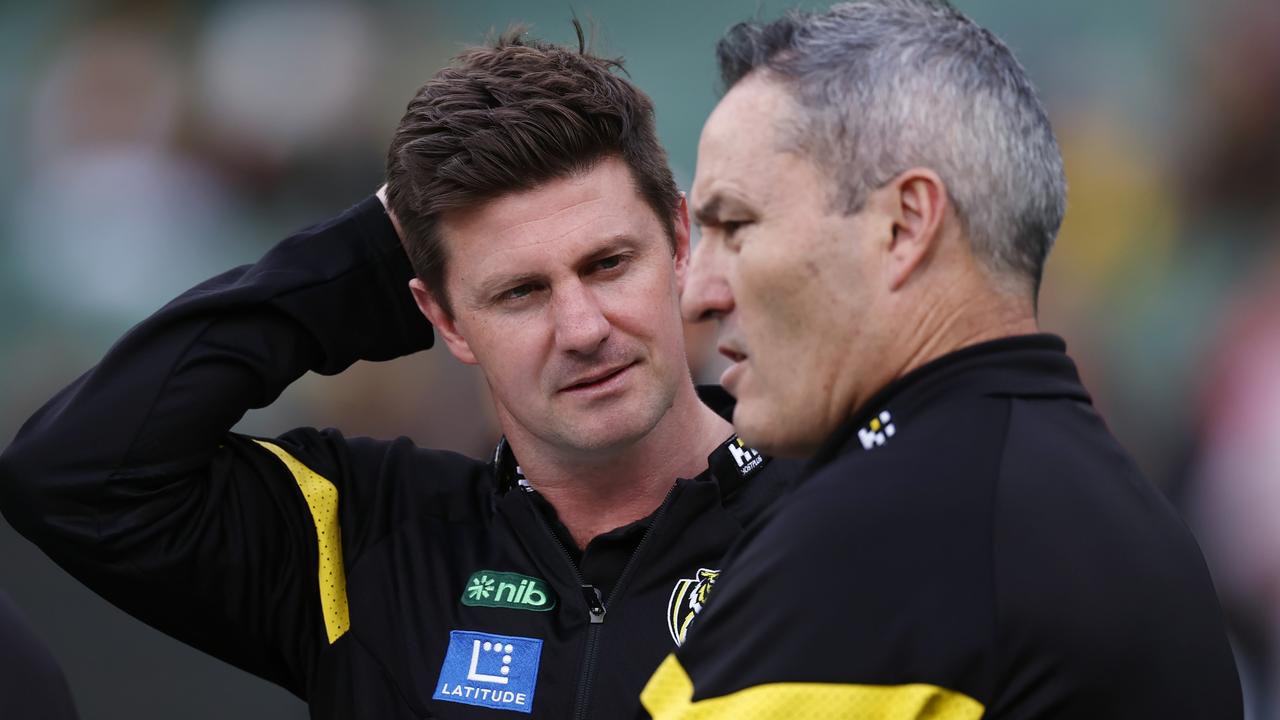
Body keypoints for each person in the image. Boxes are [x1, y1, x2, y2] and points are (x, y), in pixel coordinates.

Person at [0, 28, 798, 719]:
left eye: (609, 263)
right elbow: (72, 472)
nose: (583, 328)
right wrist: (369, 247)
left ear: (681, 239)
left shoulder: (833, 502)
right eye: (519, 292)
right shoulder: (366, 537)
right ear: (443, 317)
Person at [640, 1, 1242, 717]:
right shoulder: (1141, 525)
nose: (698, 293)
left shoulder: (879, 541)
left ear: (904, 225)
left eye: (734, 226)